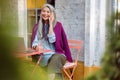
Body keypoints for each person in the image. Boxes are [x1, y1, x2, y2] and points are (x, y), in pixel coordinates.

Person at [32, 4, 73, 80]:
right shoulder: (38, 26)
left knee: (55, 59)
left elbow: (52, 40)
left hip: (58, 54)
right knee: (55, 67)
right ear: (41, 13)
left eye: (48, 12)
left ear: (52, 14)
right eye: (43, 11)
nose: (45, 13)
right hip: (45, 56)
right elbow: (35, 42)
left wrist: (50, 24)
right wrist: (36, 46)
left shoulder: (58, 25)